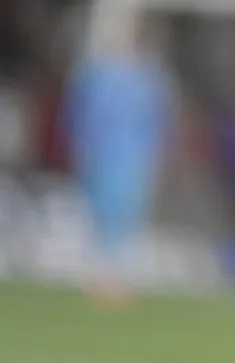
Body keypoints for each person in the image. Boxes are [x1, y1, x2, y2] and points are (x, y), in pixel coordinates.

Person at [61, 16, 173, 308]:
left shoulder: (151, 77)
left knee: (125, 215)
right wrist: (78, 144)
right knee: (101, 215)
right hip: (99, 153)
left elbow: (159, 121)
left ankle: (114, 278)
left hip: (134, 156)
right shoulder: (96, 72)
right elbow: (75, 112)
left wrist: (158, 151)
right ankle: (100, 275)